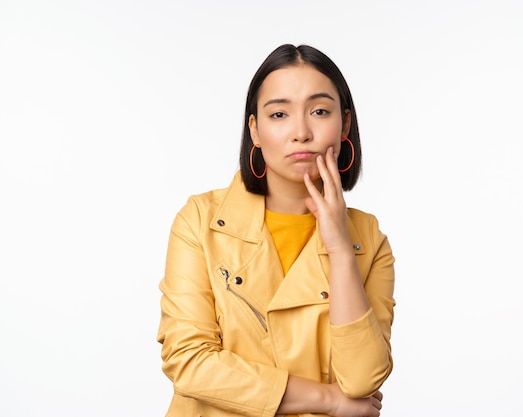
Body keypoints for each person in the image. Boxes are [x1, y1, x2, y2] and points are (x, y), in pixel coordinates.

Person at [157, 43, 396, 417]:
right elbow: (188, 362)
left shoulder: (368, 239)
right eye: (279, 114)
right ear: (255, 129)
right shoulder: (201, 221)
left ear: (344, 123)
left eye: (319, 111)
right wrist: (329, 400)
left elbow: (363, 379)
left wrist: (340, 250)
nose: (301, 132)